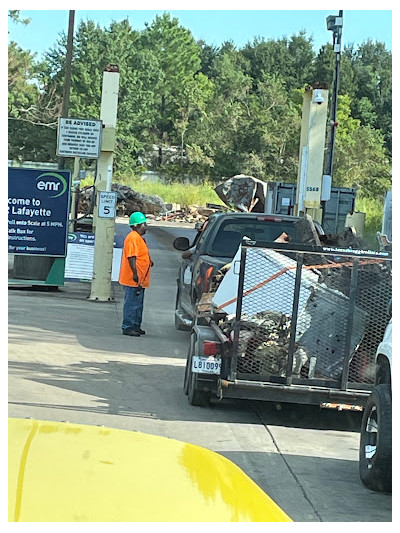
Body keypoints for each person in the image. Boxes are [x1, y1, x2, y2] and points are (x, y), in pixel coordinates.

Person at [119, 212, 153, 336]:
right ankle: (128, 327)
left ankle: (136, 325)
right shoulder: (133, 238)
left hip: (140, 279)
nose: (146, 227)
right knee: (131, 304)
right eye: (144, 224)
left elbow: (141, 254)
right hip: (133, 278)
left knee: (138, 305)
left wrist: (149, 261)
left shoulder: (139, 238)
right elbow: (131, 257)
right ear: (138, 225)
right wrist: (134, 273)